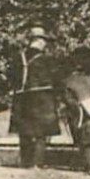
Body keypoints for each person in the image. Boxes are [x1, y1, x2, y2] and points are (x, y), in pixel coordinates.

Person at [9, 26, 61, 169]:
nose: (45, 44)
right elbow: (56, 79)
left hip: (22, 98)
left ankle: (26, 162)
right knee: (41, 133)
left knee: (24, 131)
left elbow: (11, 78)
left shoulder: (17, 58)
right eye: (44, 41)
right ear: (39, 41)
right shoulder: (47, 60)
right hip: (42, 99)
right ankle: (37, 162)